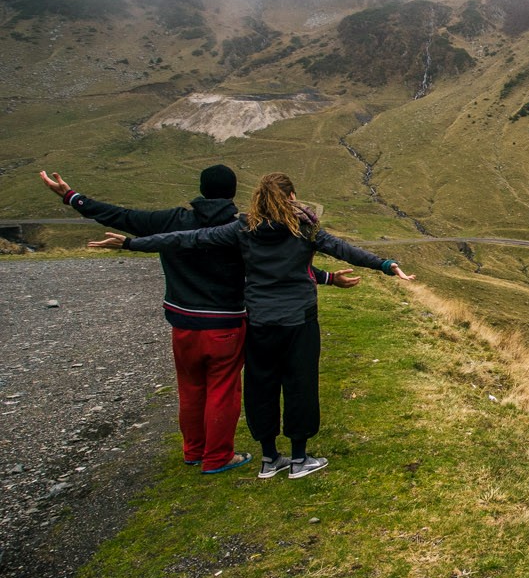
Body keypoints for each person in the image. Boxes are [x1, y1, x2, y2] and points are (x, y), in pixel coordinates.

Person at [89, 172, 414, 479]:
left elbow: (188, 239)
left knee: (263, 386)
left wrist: (132, 244)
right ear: (291, 197)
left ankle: (269, 458)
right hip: (299, 320)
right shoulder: (306, 229)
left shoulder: (242, 229)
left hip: (259, 321)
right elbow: (346, 251)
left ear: (258, 198)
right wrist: (386, 265)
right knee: (300, 384)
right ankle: (300, 458)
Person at [41, 167, 357, 474]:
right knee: (224, 389)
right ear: (234, 192)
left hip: (183, 324)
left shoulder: (169, 221)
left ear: (202, 190)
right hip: (225, 324)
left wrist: (72, 197)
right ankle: (218, 456)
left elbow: (120, 216)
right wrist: (327, 277)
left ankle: (193, 451)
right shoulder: (243, 228)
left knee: (191, 389)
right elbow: (279, 267)